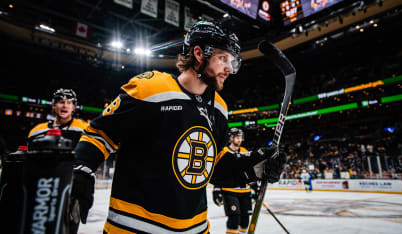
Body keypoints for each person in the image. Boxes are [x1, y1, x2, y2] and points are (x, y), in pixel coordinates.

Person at [70, 20, 287, 233]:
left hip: (196, 228)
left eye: (233, 62)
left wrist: (252, 166)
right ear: (199, 53)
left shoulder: (219, 108)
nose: (230, 68)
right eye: (223, 58)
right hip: (134, 227)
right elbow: (101, 132)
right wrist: (82, 169)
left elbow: (213, 163)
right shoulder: (151, 88)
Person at [212, 128, 253, 233]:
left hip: (245, 192)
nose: (240, 140)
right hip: (229, 191)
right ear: (231, 138)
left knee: (245, 221)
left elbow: (248, 171)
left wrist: (254, 187)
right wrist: (216, 189)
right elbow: (217, 173)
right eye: (237, 137)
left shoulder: (245, 151)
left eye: (241, 137)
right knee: (234, 220)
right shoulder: (223, 152)